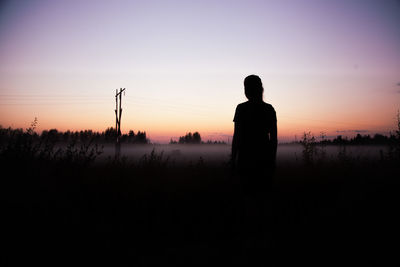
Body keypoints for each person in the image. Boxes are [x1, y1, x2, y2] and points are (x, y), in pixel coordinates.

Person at [231, 75, 277, 195]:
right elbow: (274, 140)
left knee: (247, 197)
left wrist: (232, 159)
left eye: (246, 87)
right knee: (263, 197)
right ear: (261, 89)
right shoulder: (269, 109)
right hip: (264, 160)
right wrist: (272, 160)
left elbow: (237, 137)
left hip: (245, 160)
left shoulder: (241, 108)